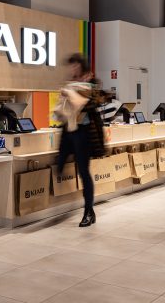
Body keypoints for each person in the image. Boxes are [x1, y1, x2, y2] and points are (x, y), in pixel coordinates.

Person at [54, 54, 105, 227]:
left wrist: (73, 94)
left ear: (81, 66)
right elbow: (62, 110)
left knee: (84, 171)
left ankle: (88, 211)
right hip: (69, 132)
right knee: (59, 164)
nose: (73, 68)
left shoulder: (91, 84)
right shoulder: (70, 84)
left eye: (75, 65)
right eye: (71, 65)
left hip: (84, 133)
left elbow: (90, 103)